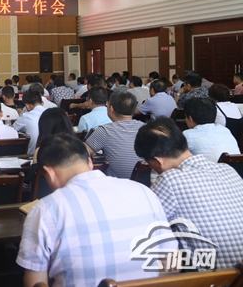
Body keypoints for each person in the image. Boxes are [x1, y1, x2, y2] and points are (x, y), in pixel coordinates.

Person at [17, 133, 168, 286]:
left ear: (49, 173)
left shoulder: (45, 209)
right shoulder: (144, 192)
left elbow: (35, 282)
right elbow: (169, 262)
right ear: (90, 163)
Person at [134, 117, 243, 270]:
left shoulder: (170, 180)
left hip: (214, 277)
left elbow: (143, 226)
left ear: (158, 162)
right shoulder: (227, 169)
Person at [86, 91, 144, 179]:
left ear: (111, 108)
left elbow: (82, 153)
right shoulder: (146, 128)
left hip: (115, 184)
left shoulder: (105, 130)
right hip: (143, 184)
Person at [182, 98, 239, 162]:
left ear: (190, 118)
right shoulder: (225, 130)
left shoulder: (188, 134)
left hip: (211, 168)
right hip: (236, 167)